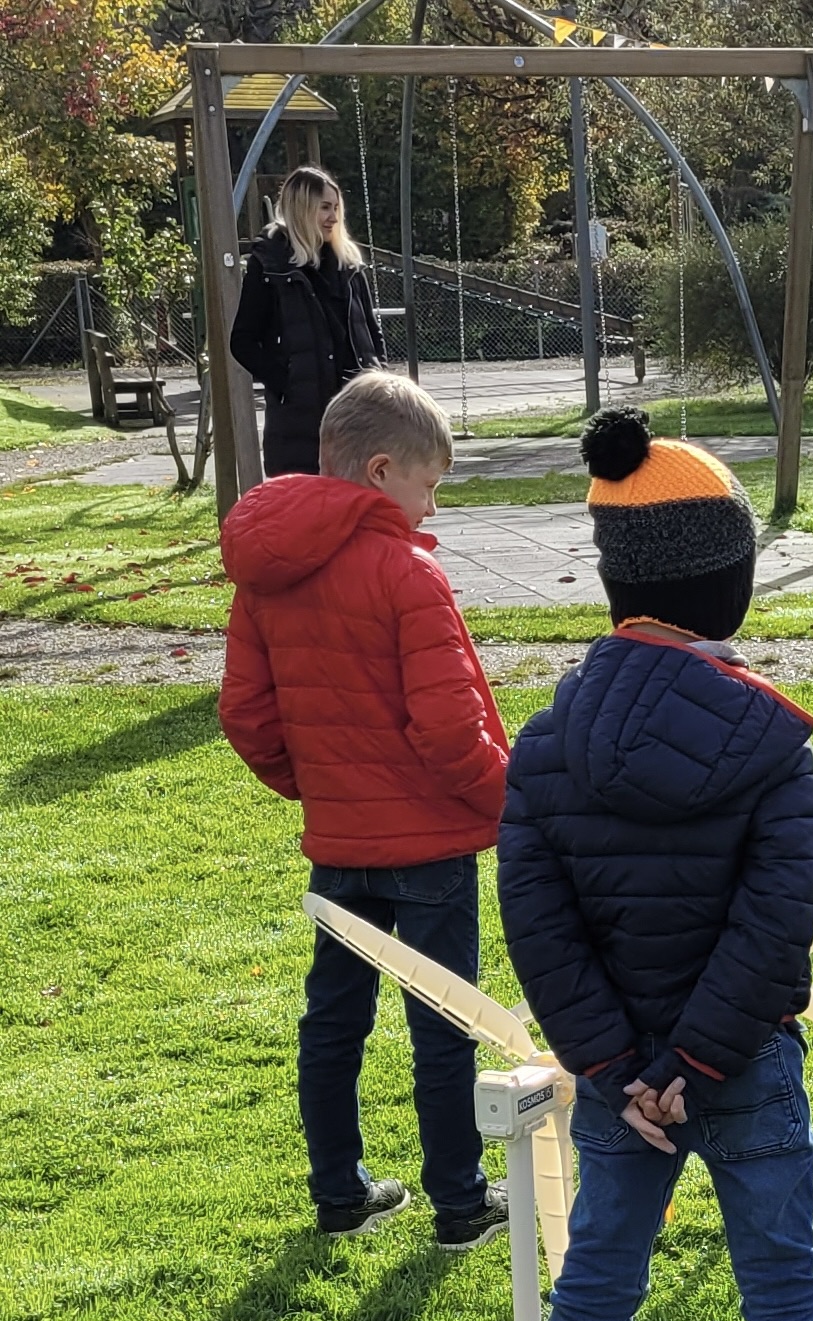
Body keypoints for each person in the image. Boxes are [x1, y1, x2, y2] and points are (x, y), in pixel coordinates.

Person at [499, 407, 813, 1321]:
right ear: (733, 585)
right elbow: (773, 935)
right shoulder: (775, 745)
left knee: (597, 1268)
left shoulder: (543, 745)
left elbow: (538, 929)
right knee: (778, 1276)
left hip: (622, 1078)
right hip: (740, 1062)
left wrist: (620, 1070)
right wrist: (690, 1066)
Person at [217, 372, 510, 1249]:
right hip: (428, 845)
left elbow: (246, 713)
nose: (433, 509)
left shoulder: (267, 574)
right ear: (382, 472)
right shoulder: (408, 572)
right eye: (429, 487)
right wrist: (511, 802)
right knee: (444, 1018)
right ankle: (460, 1203)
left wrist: (315, 783)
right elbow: (452, 727)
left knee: (334, 1016)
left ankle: (339, 1191)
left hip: (340, 840)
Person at [229, 165, 392, 479]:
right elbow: (243, 340)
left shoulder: (348, 264)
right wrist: (285, 382)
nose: (333, 217)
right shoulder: (271, 265)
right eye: (324, 208)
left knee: (358, 502)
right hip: (300, 417)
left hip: (355, 408)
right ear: (302, 209)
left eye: (336, 208)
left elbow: (371, 329)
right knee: (305, 504)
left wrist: (378, 374)